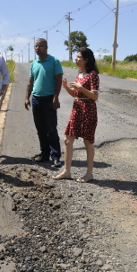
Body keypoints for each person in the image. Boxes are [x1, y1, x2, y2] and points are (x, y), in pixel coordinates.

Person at [53, 48, 99, 183]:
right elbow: (76, 94)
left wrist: (81, 87)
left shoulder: (93, 75)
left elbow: (95, 97)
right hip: (77, 108)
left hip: (88, 110)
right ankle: (66, 171)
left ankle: (89, 174)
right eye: (76, 56)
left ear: (86, 60)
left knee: (88, 142)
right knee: (67, 140)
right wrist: (67, 87)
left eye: (79, 57)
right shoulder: (80, 74)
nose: (76, 59)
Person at [24, 38, 63, 167]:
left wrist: (56, 97)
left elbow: (59, 80)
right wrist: (26, 97)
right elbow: (30, 82)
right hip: (36, 99)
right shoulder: (34, 64)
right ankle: (44, 154)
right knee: (40, 129)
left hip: (49, 99)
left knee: (51, 129)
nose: (37, 48)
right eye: (36, 46)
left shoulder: (54, 61)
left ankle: (56, 156)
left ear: (46, 47)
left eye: (40, 46)